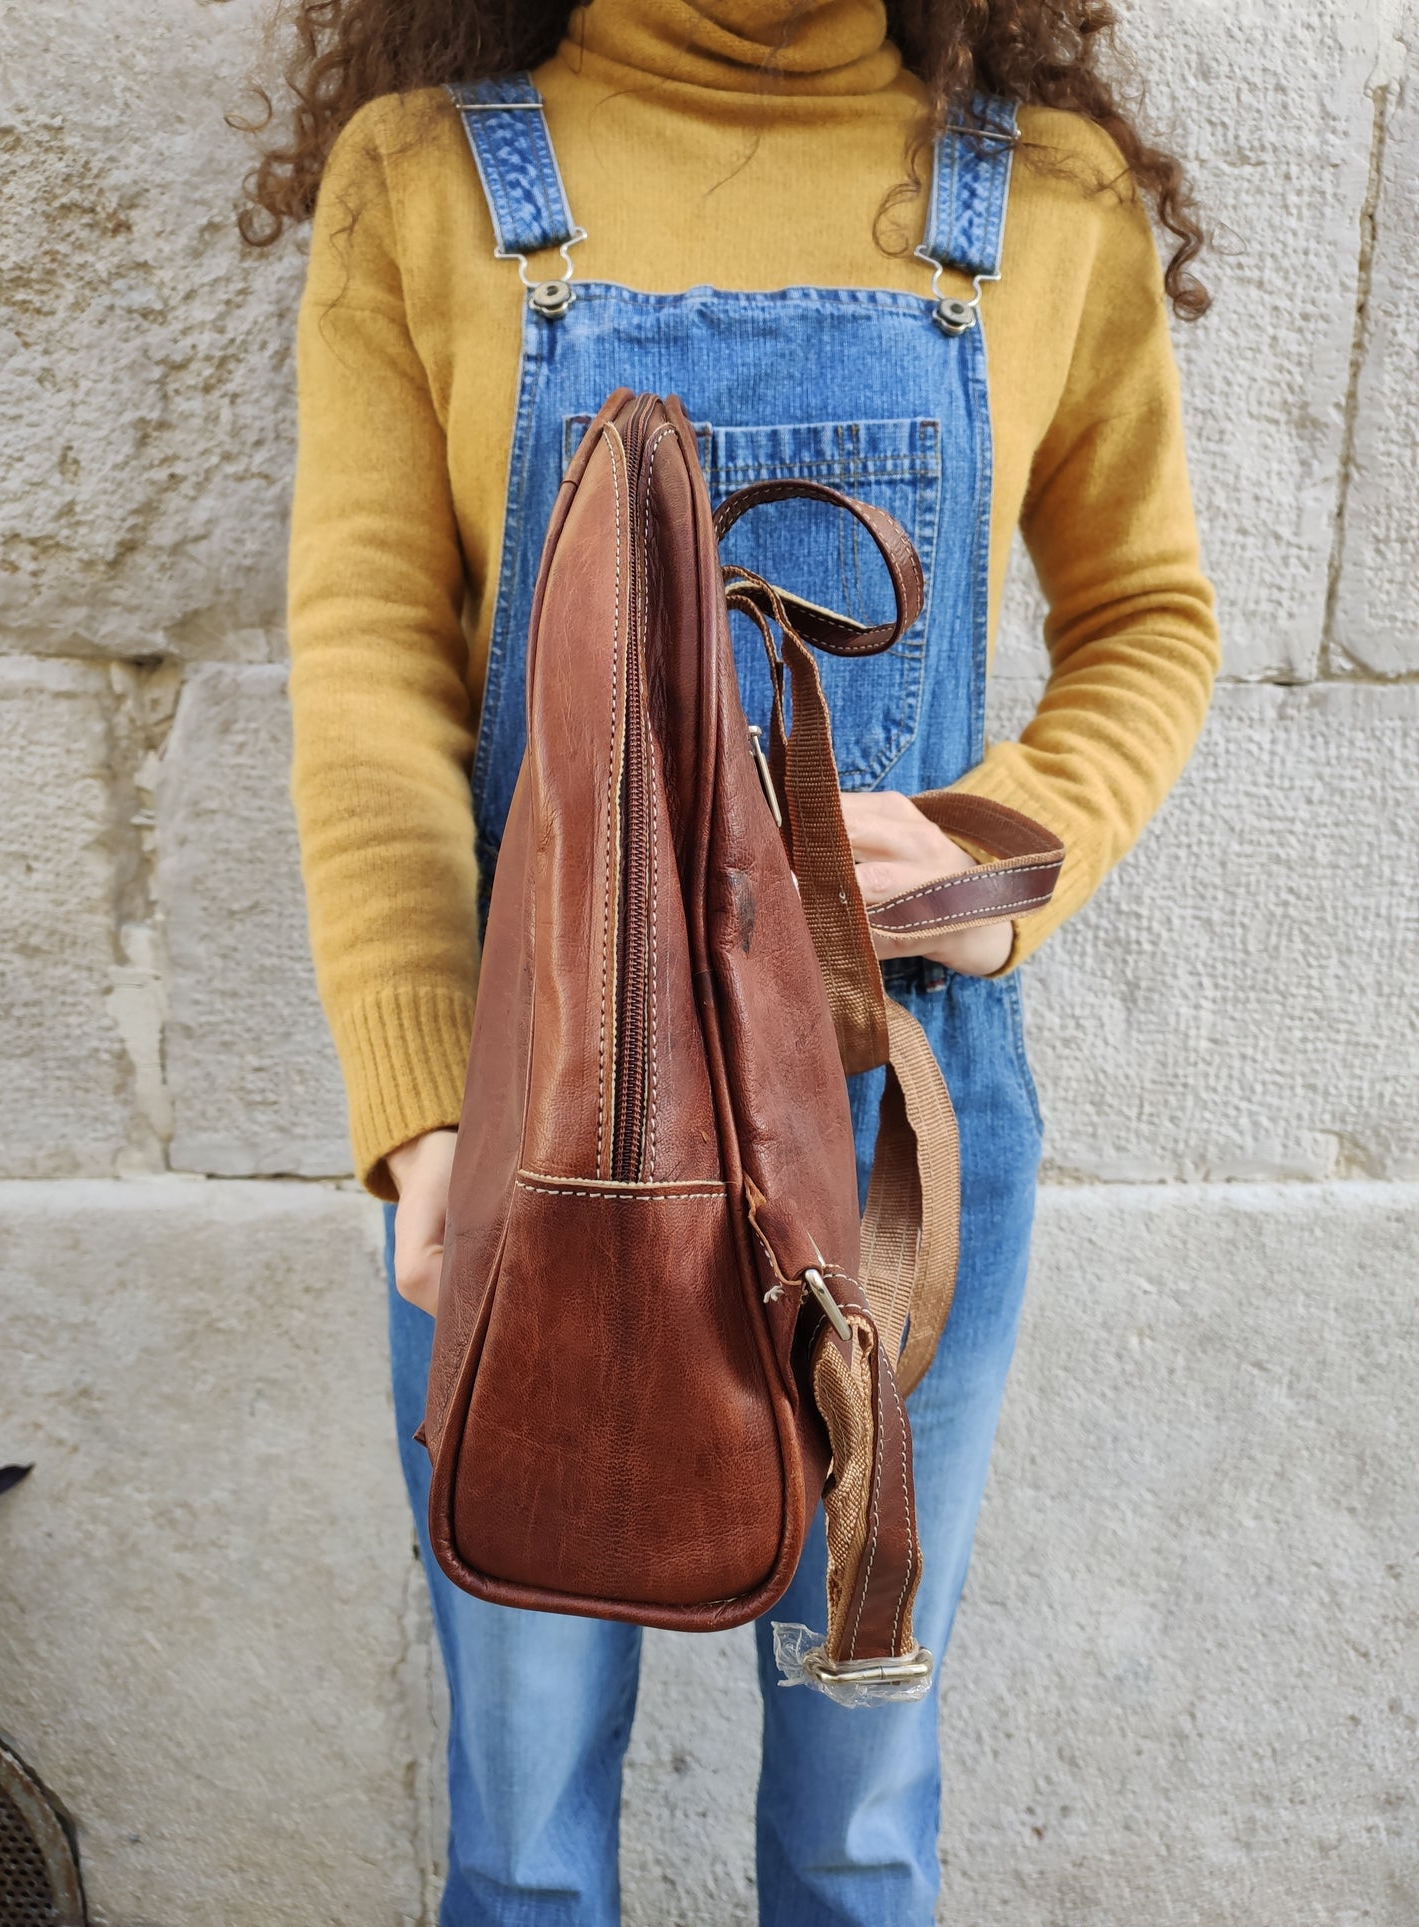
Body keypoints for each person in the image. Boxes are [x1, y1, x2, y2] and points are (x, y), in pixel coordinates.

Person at [251, 2, 1219, 1920]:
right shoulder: (429, 181)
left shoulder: (1043, 193)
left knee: (861, 1816)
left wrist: (998, 845)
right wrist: (422, 1111)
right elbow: (368, 669)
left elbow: (1148, 616)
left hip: (896, 1159)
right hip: (536, 1131)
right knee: (521, 1824)